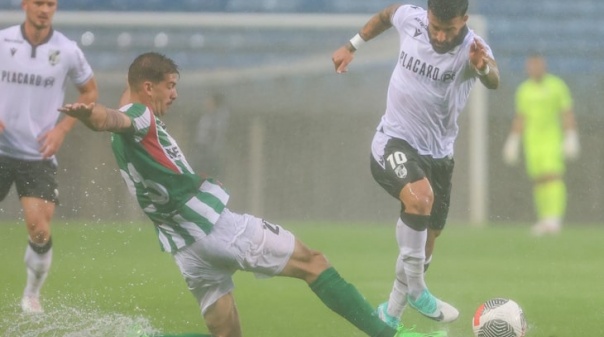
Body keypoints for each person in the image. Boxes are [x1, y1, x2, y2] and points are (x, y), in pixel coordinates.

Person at [60, 52, 445, 337]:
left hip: (185, 249)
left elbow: (112, 124)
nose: (175, 95)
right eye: (171, 86)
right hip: (216, 228)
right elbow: (112, 117)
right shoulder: (140, 116)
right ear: (149, 86)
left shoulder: (125, 139)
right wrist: (92, 115)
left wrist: (96, 119)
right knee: (314, 263)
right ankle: (388, 334)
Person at [331, 0, 500, 328]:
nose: (438, 35)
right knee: (420, 198)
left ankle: (389, 317)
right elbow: (385, 15)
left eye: (447, 30)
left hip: (438, 156)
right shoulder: (412, 18)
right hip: (392, 142)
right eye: (435, 26)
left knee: (426, 241)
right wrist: (352, 45)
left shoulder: (473, 49)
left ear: (463, 20)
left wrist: (481, 68)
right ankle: (418, 290)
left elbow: (494, 78)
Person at [0, 0, 97, 313]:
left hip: (37, 155)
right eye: (38, 2)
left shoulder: (67, 51)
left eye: (51, 4)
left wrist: (62, 129)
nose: (44, 9)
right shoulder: (3, 41)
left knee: (40, 228)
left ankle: (31, 294)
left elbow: (90, 92)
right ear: (25, 4)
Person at [502, 53, 578, 236]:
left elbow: (566, 112)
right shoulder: (524, 90)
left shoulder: (556, 86)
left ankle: (555, 217)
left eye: (537, 65)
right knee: (539, 180)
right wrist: (513, 140)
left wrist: (571, 135)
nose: (534, 69)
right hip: (532, 142)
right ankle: (544, 219)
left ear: (544, 66)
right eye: (531, 66)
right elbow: (521, 117)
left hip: (552, 139)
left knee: (553, 176)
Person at [192, 93, 230, 179]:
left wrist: (209, 152)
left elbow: (215, 137)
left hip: (209, 154)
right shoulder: (207, 117)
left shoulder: (217, 119)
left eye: (209, 102)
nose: (206, 103)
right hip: (203, 151)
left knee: (210, 176)